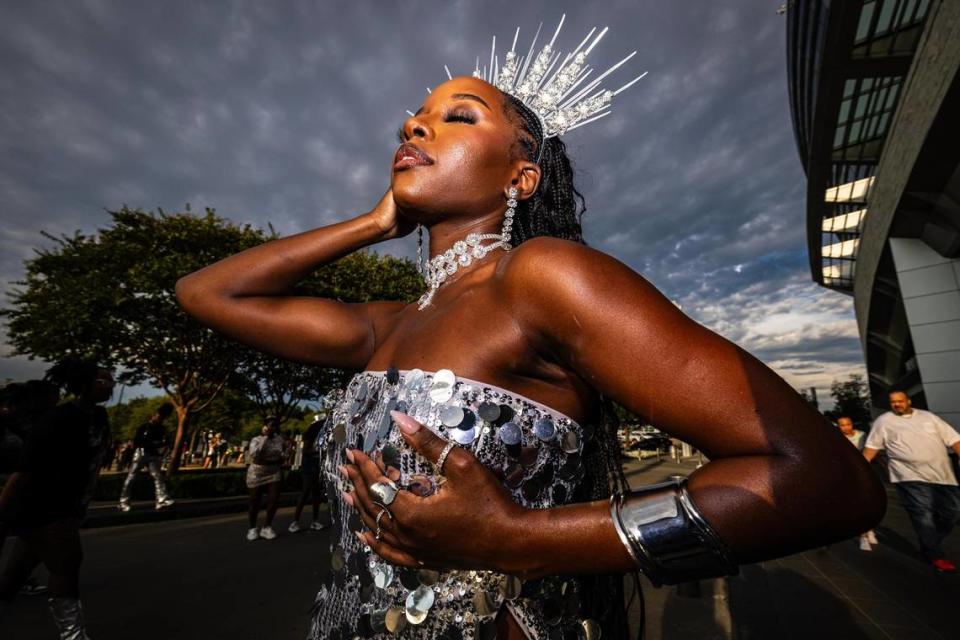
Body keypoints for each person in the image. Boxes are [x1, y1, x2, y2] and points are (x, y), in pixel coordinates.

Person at [176, 18, 884, 639]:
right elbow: (206, 292)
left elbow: (824, 482)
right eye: (413, 120)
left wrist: (518, 538)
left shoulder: (542, 278)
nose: (414, 127)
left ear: (521, 179)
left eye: (458, 117)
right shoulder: (382, 327)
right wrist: (374, 223)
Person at [0, 358, 114, 639]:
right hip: (42, 506)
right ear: (83, 384)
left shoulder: (99, 418)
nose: (109, 385)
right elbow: (22, 472)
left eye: (111, 380)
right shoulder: (58, 419)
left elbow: (95, 462)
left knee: (16, 574)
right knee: (67, 563)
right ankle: (74, 635)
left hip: (70, 506)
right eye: (103, 380)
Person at [864, 391, 960, 572]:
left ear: (908, 401)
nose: (897, 404)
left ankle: (931, 540)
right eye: (893, 402)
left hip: (943, 476)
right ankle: (935, 555)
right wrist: (860, 469)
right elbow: (872, 447)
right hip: (908, 476)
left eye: (900, 401)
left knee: (952, 513)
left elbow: (954, 439)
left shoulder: (929, 418)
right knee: (922, 515)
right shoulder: (884, 421)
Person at [117, 403, 175, 512]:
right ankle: (123, 501)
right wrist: (155, 444)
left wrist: (159, 446)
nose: (160, 419)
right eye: (158, 417)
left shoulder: (161, 429)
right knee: (132, 477)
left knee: (157, 476)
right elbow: (137, 442)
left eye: (162, 417)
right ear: (153, 416)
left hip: (152, 454)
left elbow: (164, 442)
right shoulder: (144, 427)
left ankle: (161, 500)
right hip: (141, 453)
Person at [836, 416, 877, 551]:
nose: (846, 428)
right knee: (857, 504)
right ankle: (863, 535)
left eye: (848, 424)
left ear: (852, 424)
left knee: (868, 502)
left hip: (864, 473)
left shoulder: (862, 435)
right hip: (847, 474)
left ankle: (869, 530)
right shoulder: (836, 438)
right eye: (842, 425)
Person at [244, 418, 285, 541]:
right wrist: (266, 438)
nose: (273, 428)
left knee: (274, 499)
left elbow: (282, 455)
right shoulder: (256, 440)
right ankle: (252, 528)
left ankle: (267, 527)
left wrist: (286, 452)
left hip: (273, 471)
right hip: (257, 472)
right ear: (265, 427)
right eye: (271, 426)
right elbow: (255, 454)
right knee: (255, 501)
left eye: (275, 426)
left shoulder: (279, 440)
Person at [288, 415, 329, 533]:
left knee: (316, 494)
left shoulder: (322, 436)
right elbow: (304, 451)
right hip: (309, 465)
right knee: (305, 492)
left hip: (317, 466)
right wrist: (318, 451)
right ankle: (295, 522)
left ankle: (315, 521)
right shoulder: (310, 437)